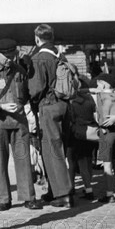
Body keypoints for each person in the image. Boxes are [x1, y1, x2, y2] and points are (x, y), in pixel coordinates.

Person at [0, 38, 41, 211]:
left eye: (12, 55)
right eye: (6, 55)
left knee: (23, 160)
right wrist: (0, 107)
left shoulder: (19, 70)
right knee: (0, 162)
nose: (9, 59)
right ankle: (3, 199)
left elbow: (25, 94)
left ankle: (28, 197)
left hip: (19, 122)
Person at [28, 24, 73, 208]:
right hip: (64, 105)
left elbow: (36, 89)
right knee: (59, 148)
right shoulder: (60, 56)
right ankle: (55, 190)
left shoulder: (39, 58)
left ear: (37, 39)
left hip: (48, 106)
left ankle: (63, 194)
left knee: (51, 149)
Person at [95, 73, 115, 203]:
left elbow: (102, 114)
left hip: (106, 132)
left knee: (107, 164)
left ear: (103, 84)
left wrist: (101, 126)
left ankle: (109, 193)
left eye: (98, 83)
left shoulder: (103, 96)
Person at [66, 76, 98, 200]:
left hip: (75, 134)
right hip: (90, 132)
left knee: (72, 163)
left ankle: (71, 188)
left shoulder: (70, 101)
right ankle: (89, 188)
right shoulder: (89, 98)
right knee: (87, 162)